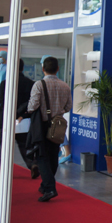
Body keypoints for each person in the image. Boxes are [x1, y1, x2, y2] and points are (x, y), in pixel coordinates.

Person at [27, 57, 71, 202]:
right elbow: (68, 107)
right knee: (53, 156)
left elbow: (32, 106)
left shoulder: (39, 85)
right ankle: (45, 186)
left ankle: (50, 188)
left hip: (43, 125)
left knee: (41, 156)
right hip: (58, 124)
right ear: (58, 69)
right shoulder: (65, 86)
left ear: (43, 69)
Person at [0, 59, 37, 179]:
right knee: (24, 145)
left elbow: (1, 100)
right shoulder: (30, 83)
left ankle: (1, 170)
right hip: (22, 120)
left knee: (4, 147)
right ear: (22, 68)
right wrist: (21, 113)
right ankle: (32, 164)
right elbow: (31, 103)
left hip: (5, 119)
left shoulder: (5, 83)